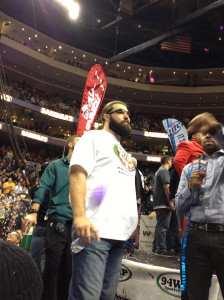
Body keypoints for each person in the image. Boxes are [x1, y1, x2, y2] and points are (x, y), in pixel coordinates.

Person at [69, 100, 138, 300]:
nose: (127, 116)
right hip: (94, 232)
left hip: (119, 236)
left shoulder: (123, 152)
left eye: (128, 112)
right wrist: (80, 216)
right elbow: (77, 174)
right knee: (86, 296)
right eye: (120, 112)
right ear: (106, 116)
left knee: (106, 296)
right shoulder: (93, 137)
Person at [22, 135, 80, 300]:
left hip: (77, 225)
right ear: (69, 144)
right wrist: (34, 211)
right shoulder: (55, 166)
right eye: (79, 140)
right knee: (52, 266)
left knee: (69, 270)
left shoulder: (86, 169)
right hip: (58, 220)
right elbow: (43, 187)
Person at [175, 112, 224, 300]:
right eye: (205, 134)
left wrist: (212, 125)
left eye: (212, 133)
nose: (209, 136)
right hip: (196, 236)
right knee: (193, 294)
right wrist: (189, 188)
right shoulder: (190, 168)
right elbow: (180, 205)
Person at [152, 155, 174, 257]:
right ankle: (161, 249)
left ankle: (155, 247)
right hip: (163, 203)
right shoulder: (164, 171)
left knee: (159, 226)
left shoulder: (158, 171)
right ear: (169, 161)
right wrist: (170, 201)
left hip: (158, 202)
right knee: (163, 227)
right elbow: (166, 187)